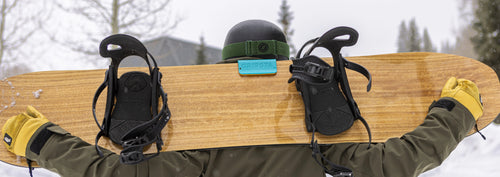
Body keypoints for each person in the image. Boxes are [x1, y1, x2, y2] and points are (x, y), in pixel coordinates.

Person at [1, 20, 483, 177]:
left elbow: (114, 174)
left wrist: (40, 141)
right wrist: (455, 114)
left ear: (221, 71)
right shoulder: (319, 140)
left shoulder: (199, 146)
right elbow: (398, 162)